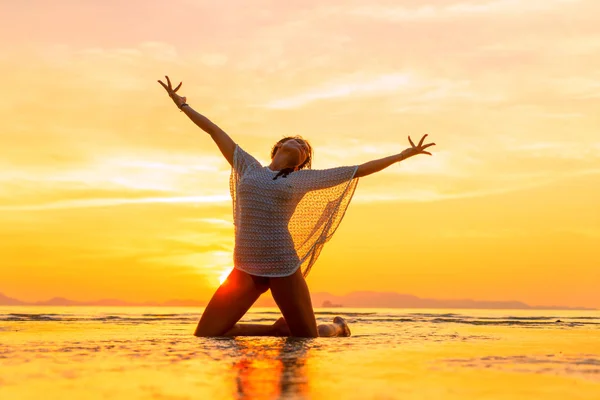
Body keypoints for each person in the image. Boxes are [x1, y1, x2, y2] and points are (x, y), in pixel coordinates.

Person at [158, 76, 435, 338]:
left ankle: (338, 327)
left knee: (307, 336)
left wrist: (402, 155)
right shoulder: (248, 166)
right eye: (298, 141)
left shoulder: (302, 178)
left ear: (301, 162)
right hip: (245, 264)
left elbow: (359, 170)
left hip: (282, 263)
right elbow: (214, 131)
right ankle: (276, 329)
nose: (302, 145)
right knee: (206, 334)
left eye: (305, 149)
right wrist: (183, 105)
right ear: (279, 146)